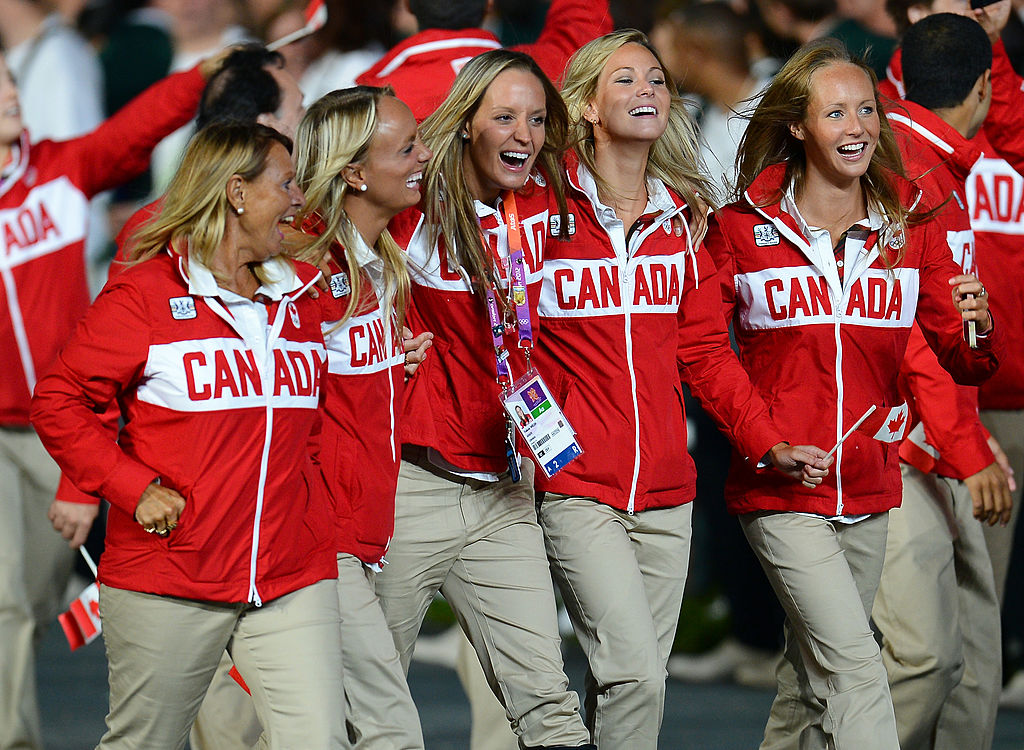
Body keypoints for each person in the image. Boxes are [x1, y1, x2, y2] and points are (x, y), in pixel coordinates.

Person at [531, 29, 832, 749]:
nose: (649, 91)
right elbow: (509, 347)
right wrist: (540, 448)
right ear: (588, 107)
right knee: (632, 669)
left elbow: (706, 355)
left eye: (658, 80)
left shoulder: (685, 217)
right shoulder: (543, 214)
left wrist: (766, 444)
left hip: (668, 485)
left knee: (633, 680)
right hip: (576, 483)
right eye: (627, 80)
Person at [702, 38, 1001, 749]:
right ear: (799, 127)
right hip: (780, 488)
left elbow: (960, 361)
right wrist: (764, 441)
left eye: (867, 109)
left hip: (869, 485)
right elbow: (704, 353)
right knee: (857, 665)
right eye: (836, 113)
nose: (859, 126)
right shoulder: (741, 229)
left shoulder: (910, 227)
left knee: (809, 683)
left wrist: (979, 330)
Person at [29, 122, 345, 750]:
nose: (299, 199)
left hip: (290, 576)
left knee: (321, 740)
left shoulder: (303, 295)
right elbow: (60, 400)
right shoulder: (146, 294)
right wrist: (130, 486)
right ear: (236, 193)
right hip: (171, 575)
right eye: (285, 184)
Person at [0, 49, 224, 750]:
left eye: (8, 81)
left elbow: (138, 129)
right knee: (4, 603)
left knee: (37, 601)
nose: (11, 94)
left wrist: (201, 75)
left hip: (68, 425)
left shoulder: (61, 168)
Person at [379, 49, 595, 750]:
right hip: (410, 487)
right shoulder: (409, 211)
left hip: (505, 490)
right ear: (466, 123)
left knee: (548, 704)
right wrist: (382, 331)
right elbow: (320, 257)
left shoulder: (552, 203)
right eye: (504, 117)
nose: (524, 134)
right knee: (363, 701)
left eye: (536, 119)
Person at [291, 85, 432, 749]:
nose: (424, 156)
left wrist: (390, 370)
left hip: (363, 527)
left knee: (318, 730)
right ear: (352, 173)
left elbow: (344, 404)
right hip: (322, 534)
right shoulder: (308, 270)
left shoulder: (375, 265)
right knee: (389, 728)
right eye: (406, 147)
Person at [356, 0, 612, 121]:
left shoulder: (373, 100)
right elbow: (583, 24)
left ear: (408, 5)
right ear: (489, 4)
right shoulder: (549, 69)